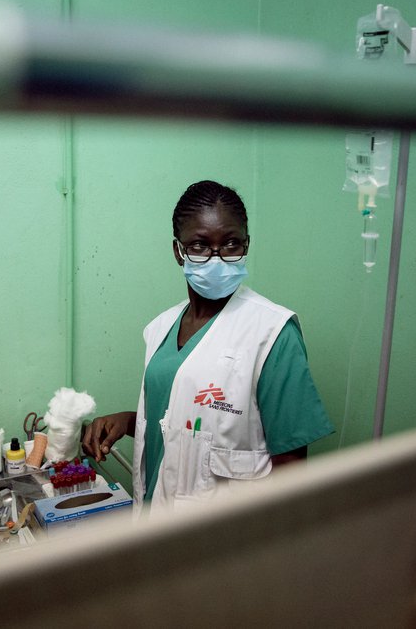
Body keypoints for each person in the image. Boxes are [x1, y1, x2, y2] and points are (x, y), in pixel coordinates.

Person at [82, 179, 334, 513]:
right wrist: (129, 421)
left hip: (227, 537)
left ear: (247, 244)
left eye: (231, 244)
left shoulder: (272, 332)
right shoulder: (160, 328)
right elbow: (181, 418)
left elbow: (289, 466)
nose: (217, 259)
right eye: (200, 245)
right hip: (154, 515)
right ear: (178, 251)